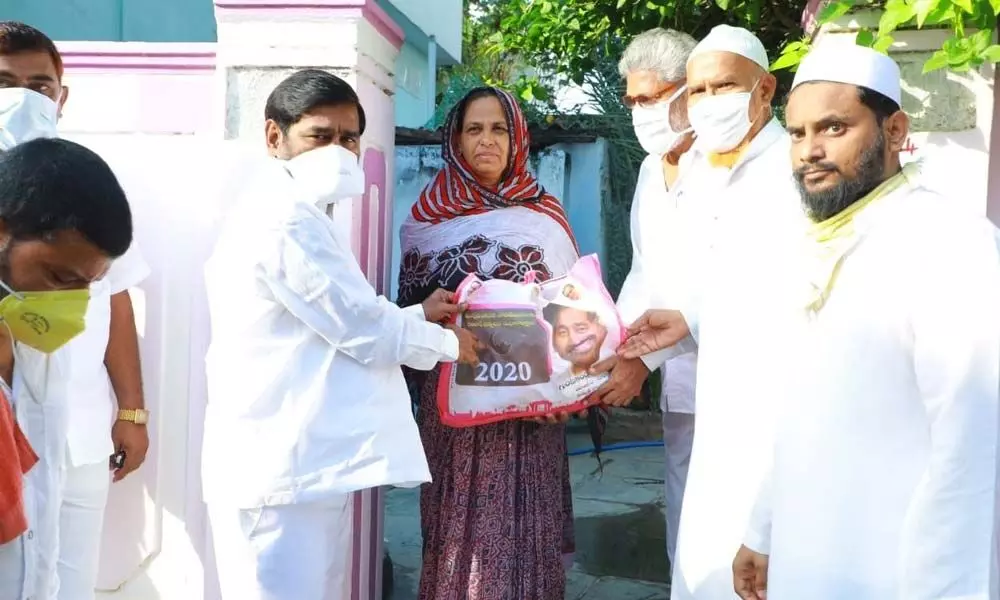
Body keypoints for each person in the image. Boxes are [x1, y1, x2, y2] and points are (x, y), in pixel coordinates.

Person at [729, 43, 1000, 600]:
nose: (809, 151)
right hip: (807, 559)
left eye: (833, 128)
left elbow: (969, 446)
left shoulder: (949, 241)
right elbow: (800, 412)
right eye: (798, 133)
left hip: (895, 571)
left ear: (895, 130)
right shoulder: (815, 244)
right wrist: (762, 529)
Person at [202, 69, 478, 600]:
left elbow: (341, 312)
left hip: (307, 461)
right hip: (279, 466)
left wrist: (419, 315)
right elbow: (360, 328)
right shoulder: (283, 219)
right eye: (320, 136)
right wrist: (450, 345)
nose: (338, 150)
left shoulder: (305, 215)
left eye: (349, 138)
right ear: (274, 137)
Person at [617, 25, 807, 599]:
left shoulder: (795, 170)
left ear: (765, 90)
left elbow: (782, 287)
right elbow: (656, 273)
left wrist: (677, 333)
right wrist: (619, 347)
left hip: (765, 396)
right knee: (696, 539)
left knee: (762, 545)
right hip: (695, 386)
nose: (707, 103)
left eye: (721, 87)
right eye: (700, 91)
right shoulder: (683, 170)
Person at [398, 86, 581, 599]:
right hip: (455, 412)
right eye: (474, 129)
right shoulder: (426, 219)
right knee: (460, 535)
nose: (487, 140)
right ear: (455, 140)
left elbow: (575, 309)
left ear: (517, 138)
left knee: (525, 531)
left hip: (530, 411)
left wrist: (567, 391)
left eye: (499, 129)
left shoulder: (545, 215)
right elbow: (409, 316)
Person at [0, 21, 150, 600]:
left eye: (39, 85)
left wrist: (132, 412)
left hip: (77, 427)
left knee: (66, 580)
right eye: (5, 82)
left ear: (62, 96)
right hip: (9, 436)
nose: (23, 98)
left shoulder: (91, 184)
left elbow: (117, 299)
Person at [610, 26, 698, 567]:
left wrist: (643, 358)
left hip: (732, 369)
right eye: (633, 100)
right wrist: (612, 346)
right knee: (683, 503)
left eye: (651, 97)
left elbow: (721, 279)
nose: (640, 111)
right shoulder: (650, 168)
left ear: (689, 91)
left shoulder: (726, 165)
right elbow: (645, 270)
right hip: (679, 378)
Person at [543, 304, 609, 375]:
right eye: (563, 333)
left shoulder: (618, 355)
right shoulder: (552, 382)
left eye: (581, 328)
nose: (574, 340)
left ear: (600, 327)